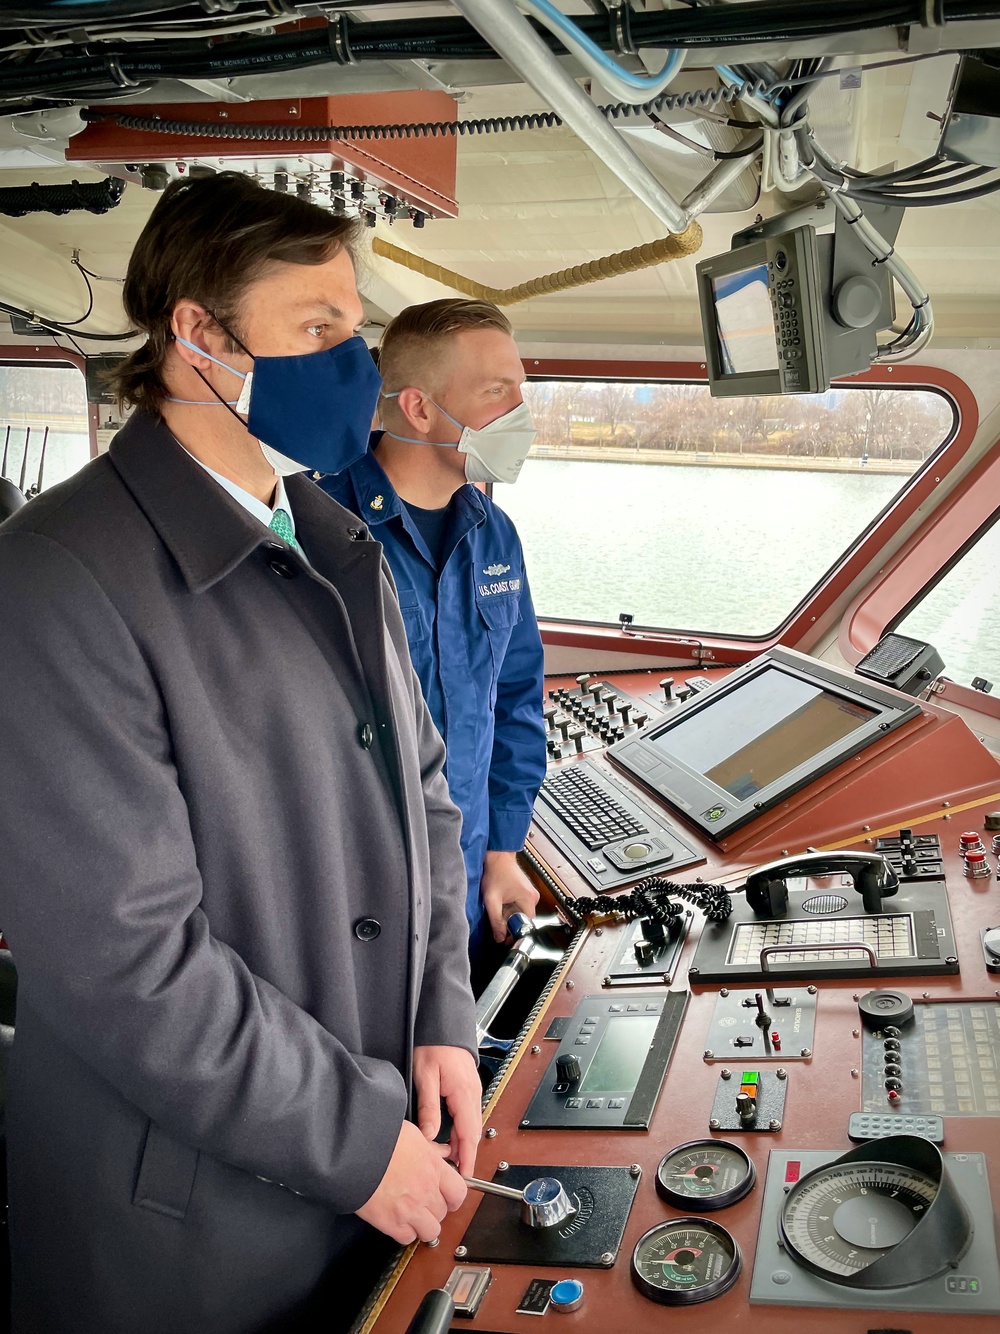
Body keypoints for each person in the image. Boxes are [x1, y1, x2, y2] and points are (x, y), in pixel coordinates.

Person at [0, 173, 480, 1334]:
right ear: (198, 335)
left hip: (360, 1135)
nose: (352, 362)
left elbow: (423, 792)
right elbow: (128, 961)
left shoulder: (332, 535)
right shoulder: (55, 577)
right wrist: (359, 1139)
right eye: (317, 329)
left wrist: (441, 1012)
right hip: (187, 1216)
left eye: (352, 326)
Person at [319, 300, 546, 986]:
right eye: (495, 391)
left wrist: (503, 851)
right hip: (360, 899)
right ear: (418, 409)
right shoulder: (318, 530)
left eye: (520, 388)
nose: (520, 411)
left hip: (472, 869)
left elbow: (516, 697)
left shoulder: (494, 534)